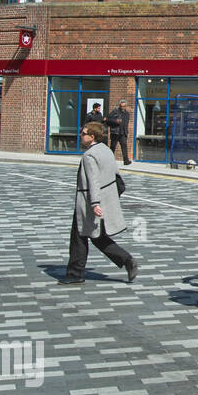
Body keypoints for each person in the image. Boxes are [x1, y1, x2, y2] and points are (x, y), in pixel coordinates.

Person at [61, 121, 137, 285]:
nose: (81, 136)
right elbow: (116, 175)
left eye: (84, 133)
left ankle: (75, 274)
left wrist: (95, 203)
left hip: (89, 203)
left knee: (79, 237)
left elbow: (92, 181)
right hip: (105, 200)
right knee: (97, 237)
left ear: (92, 136)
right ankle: (126, 259)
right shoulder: (106, 150)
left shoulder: (89, 155)